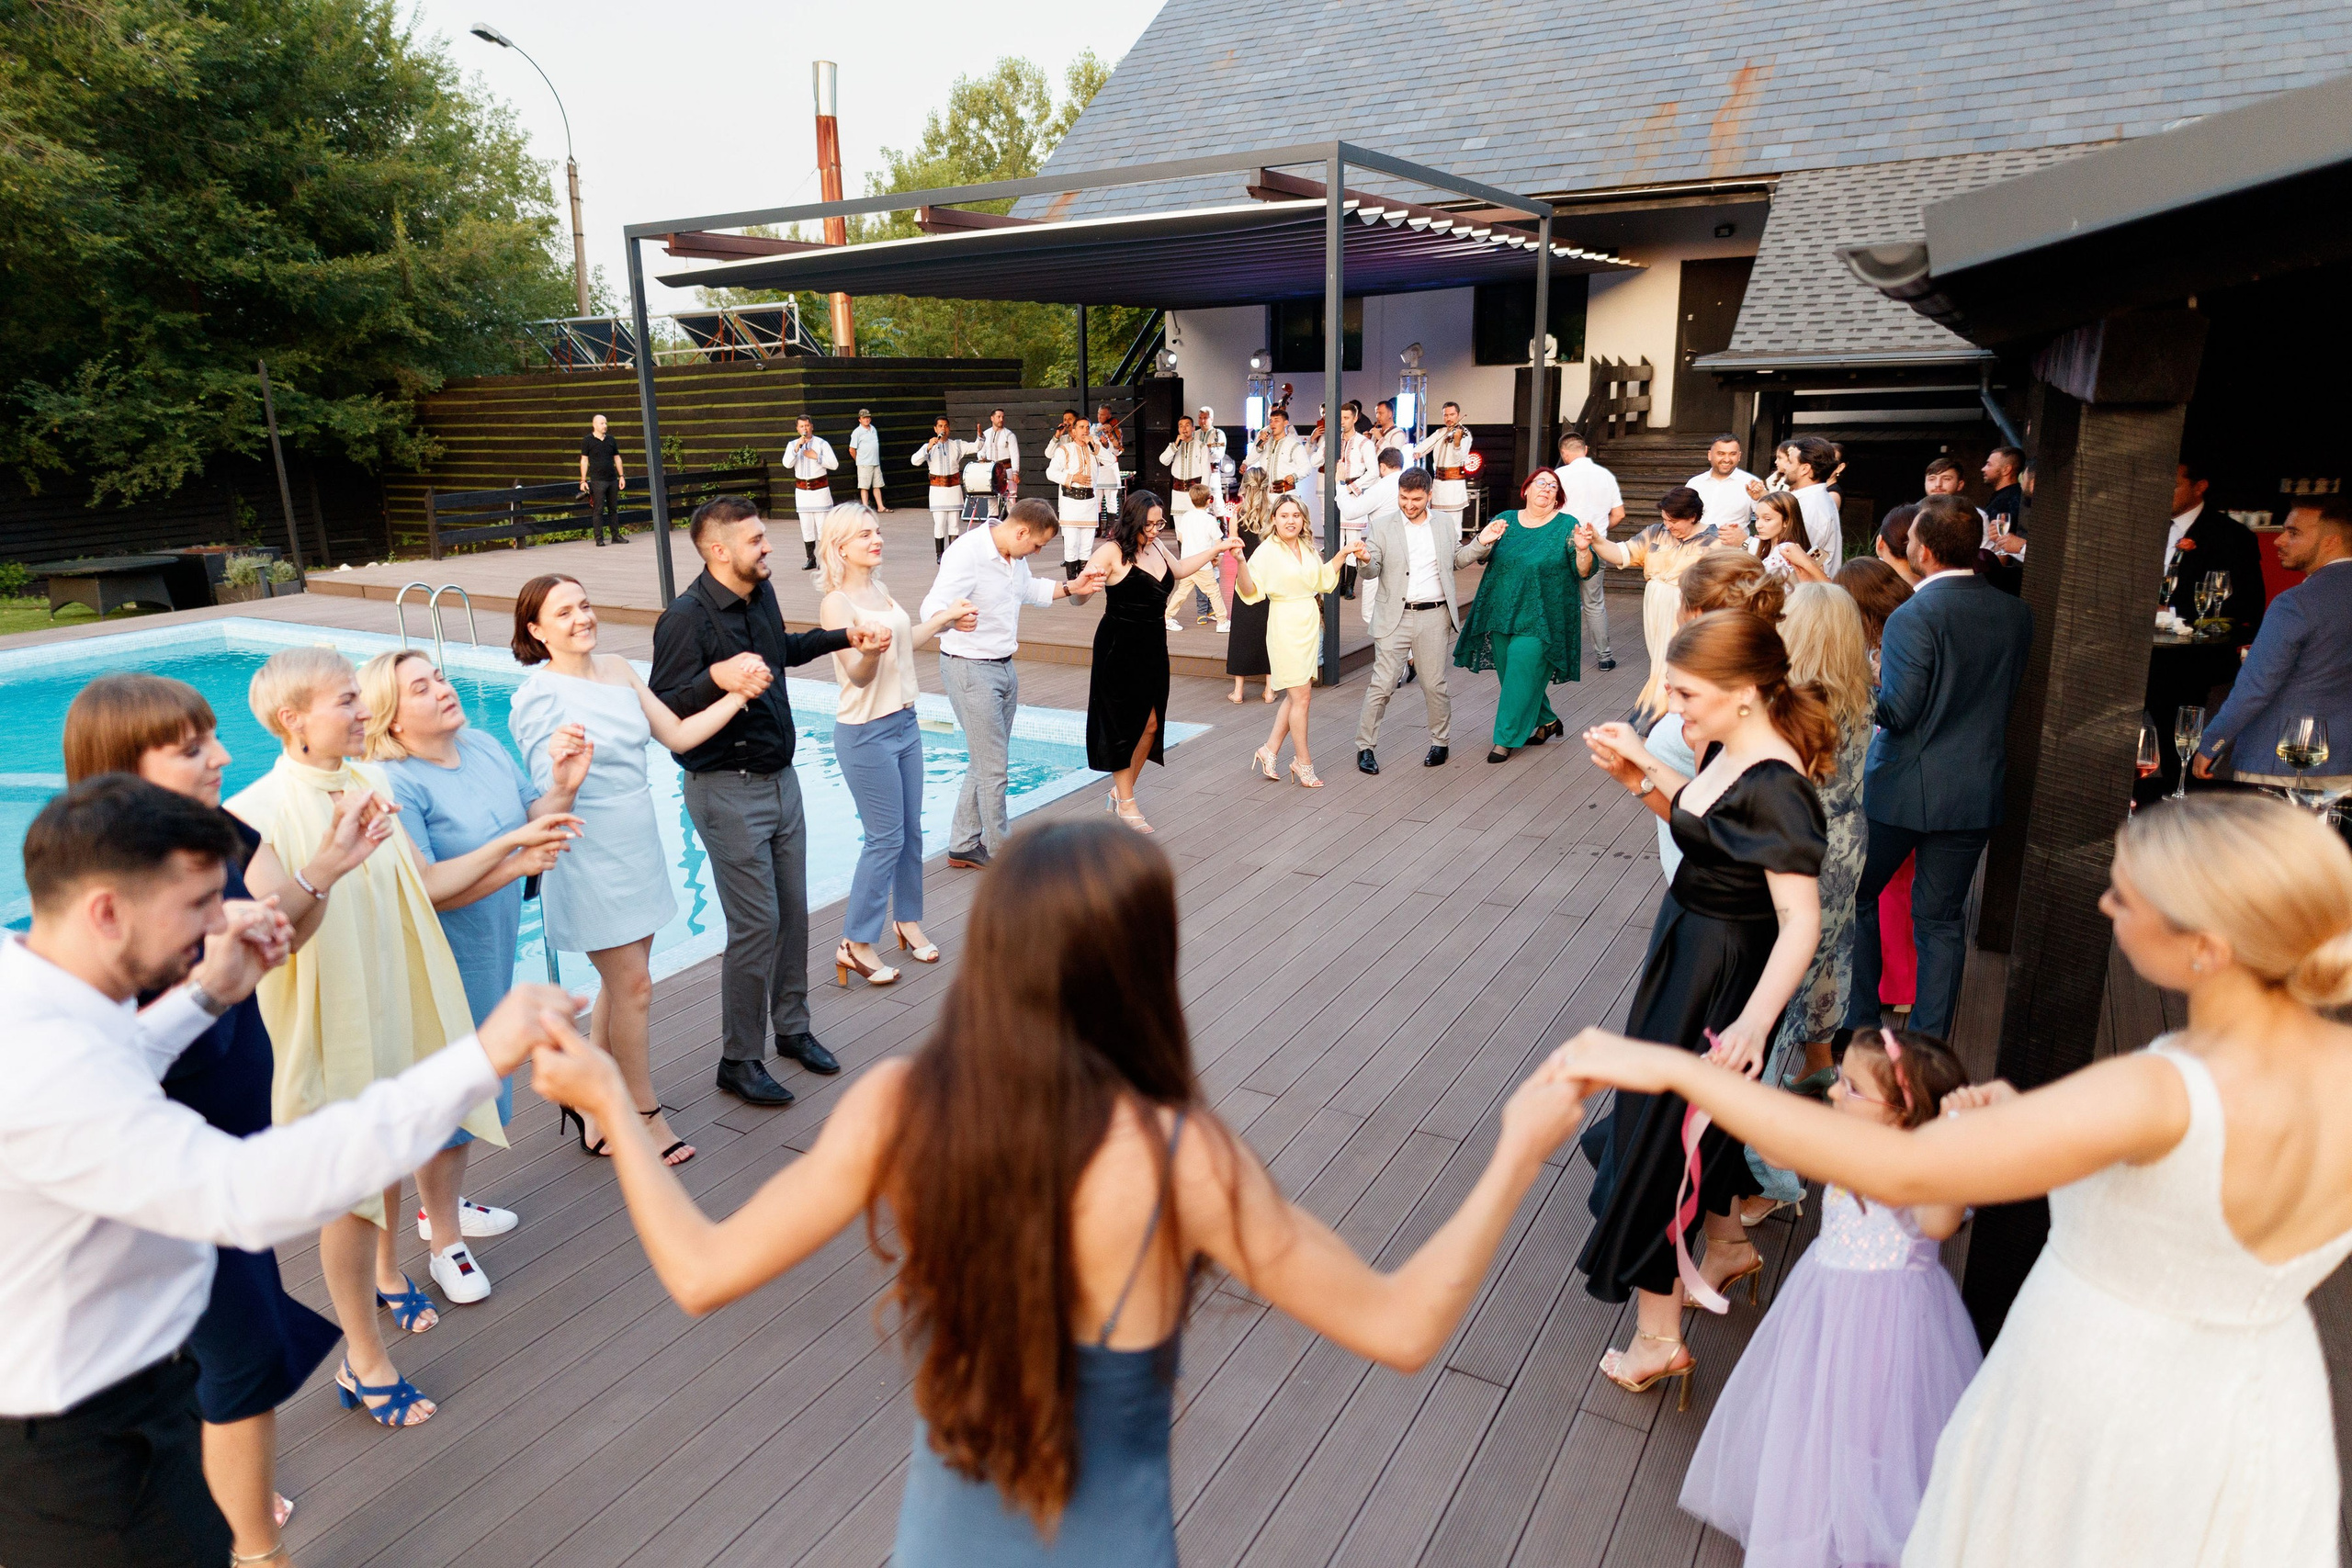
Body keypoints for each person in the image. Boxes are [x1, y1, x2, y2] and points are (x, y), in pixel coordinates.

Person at [522, 818, 1591, 1567]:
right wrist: (1517, 1150)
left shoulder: (900, 1102)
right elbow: (1403, 1328)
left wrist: (614, 1102)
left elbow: (702, 1273)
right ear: (1142, 969)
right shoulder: (1183, 1159)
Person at [1556, 792, 2352, 1566]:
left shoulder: (2161, 1089)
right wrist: (2027, 1119)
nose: (2108, 905)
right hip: (2258, 1407)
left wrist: (1674, 1069)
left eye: (2126, 894)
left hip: (2108, 1406)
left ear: (2207, 947)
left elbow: (1894, 1164)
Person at [0, 775, 571, 1568]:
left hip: (126, 1394)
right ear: (106, 912)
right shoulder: (46, 1069)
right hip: (83, 1448)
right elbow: (247, 1195)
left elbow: (111, 1056)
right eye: (201, 905)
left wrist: (207, 994)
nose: (225, 919)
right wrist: (479, 1057)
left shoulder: (32, 982)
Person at [59, 679, 341, 1563]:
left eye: (214, 737)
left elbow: (270, 931)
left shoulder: (208, 844)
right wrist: (207, 977)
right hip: (164, 1168)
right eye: (191, 747)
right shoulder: (100, 897)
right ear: (121, 769)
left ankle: (217, 1471)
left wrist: (315, 878)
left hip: (233, 1142)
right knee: (243, 1354)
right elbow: (88, 1061)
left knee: (203, 1352)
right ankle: (253, 1552)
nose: (221, 755)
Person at [226, 647, 506, 1430]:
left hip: (389, 997)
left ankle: (389, 1270)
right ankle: (363, 1357)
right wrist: (329, 863)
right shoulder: (255, 813)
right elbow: (276, 931)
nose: (362, 711)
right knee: (348, 1190)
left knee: (390, 1145)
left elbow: (421, 883)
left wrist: (518, 845)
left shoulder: (373, 781)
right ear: (294, 720)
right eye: (346, 700)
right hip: (323, 1020)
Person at [1576, 611, 1834, 1402]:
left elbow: (1802, 919)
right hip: (1688, 949)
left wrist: (1755, 1021)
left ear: (1745, 692)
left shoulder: (1781, 785)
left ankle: (1660, 1338)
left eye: (1685, 692)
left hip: (1718, 976)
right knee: (1684, 1126)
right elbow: (1712, 833)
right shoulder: (1731, 750)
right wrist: (1642, 781)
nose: (1672, 706)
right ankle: (1724, 1248)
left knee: (1660, 1138)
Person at [1676, 1031, 1982, 1566]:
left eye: (1852, 1088)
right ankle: (1818, 1512)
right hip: (1825, 1299)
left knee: (1875, 1421)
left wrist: (1957, 1141)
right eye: (1840, 1080)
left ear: (1902, 1112)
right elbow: (1776, 1144)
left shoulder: (1921, 1171)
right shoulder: (1846, 1144)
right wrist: (1732, 1088)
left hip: (1890, 1319)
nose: (1835, 1094)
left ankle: (1869, 1523)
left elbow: (1940, 1221)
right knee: (1816, 1409)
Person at [649, 496, 888, 1105]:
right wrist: (716, 679)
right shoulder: (685, 618)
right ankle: (738, 1058)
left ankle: (793, 1028)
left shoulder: (760, 596)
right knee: (757, 925)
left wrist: (842, 636)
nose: (769, 546)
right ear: (718, 551)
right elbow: (666, 707)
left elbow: (780, 650)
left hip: (782, 780)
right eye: (756, 540)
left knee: (794, 913)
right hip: (726, 789)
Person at [364, 649, 587, 1301]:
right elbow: (426, 887)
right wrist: (517, 866)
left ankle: (447, 1206)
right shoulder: (392, 781)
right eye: (421, 687)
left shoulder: (482, 745)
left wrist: (566, 782)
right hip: (433, 963)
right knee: (452, 1098)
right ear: (393, 717)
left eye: (439, 676)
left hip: (488, 946)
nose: (443, 689)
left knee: (480, 1087)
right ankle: (444, 1247)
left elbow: (530, 815)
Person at [1849, 495, 2034, 1040]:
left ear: (1924, 551)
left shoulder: (1914, 615)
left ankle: (1859, 1027)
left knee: (1856, 895)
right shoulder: (2015, 612)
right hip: (1976, 786)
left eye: (1909, 542)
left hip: (1902, 788)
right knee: (1942, 922)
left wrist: (1857, 679)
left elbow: (1899, 712)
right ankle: (1929, 1043)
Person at [815, 506, 976, 987]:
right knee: (884, 837)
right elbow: (857, 675)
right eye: (865, 534)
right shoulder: (837, 604)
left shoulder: (879, 591)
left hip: (905, 724)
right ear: (841, 546)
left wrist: (945, 619)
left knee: (910, 831)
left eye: (877, 530)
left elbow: (904, 643)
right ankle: (855, 942)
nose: (876, 538)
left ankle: (907, 921)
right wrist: (867, 652)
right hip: (865, 732)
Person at [921, 497, 1105, 871]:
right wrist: (952, 619)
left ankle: (961, 844)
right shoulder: (967, 553)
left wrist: (1073, 586)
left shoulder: (1013, 558)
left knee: (985, 761)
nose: (1037, 552)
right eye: (1037, 545)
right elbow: (931, 605)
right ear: (1021, 531)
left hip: (1003, 667)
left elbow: (1031, 591)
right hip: (970, 669)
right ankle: (1007, 859)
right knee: (994, 768)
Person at [1085, 491, 1240, 831]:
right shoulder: (1111, 551)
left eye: (1160, 522)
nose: (1156, 529)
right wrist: (1082, 587)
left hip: (1154, 643)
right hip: (1119, 646)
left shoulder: (1156, 546)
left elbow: (1181, 569)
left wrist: (1217, 549)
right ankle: (1126, 802)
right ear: (1133, 519)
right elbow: (1081, 597)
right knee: (1124, 724)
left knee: (1152, 724)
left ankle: (1120, 792)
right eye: (1150, 523)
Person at [2191, 492, 2352, 801]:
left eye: (2293, 533)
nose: (2279, 541)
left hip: (2279, 764)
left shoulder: (2295, 604)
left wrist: (2211, 742)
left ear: (2331, 542)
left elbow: (2255, 687)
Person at [1353, 469, 1505, 774]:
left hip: (1434, 615)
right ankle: (1365, 748)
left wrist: (1482, 541)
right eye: (1403, 498)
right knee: (1382, 685)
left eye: (1416, 499)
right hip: (1393, 617)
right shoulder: (1381, 526)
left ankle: (1440, 742)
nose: (1409, 505)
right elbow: (1371, 571)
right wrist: (1365, 560)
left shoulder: (1445, 523)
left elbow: (1457, 560)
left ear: (1429, 496)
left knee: (1434, 684)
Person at [1456, 468, 1598, 763]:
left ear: (1557, 497)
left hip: (1543, 616)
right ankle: (1547, 720)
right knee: (1514, 676)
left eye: (1553, 486)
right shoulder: (1505, 520)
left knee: (1522, 666)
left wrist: (1583, 550)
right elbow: (1479, 557)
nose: (1546, 488)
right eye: (1540, 483)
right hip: (1500, 612)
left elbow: (1583, 571)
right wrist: (1484, 539)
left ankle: (1504, 740)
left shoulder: (1565, 526)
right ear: (1527, 489)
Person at [1236, 493, 1362, 787]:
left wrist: (1343, 554)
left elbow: (1321, 580)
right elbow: (1249, 590)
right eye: (1284, 515)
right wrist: (1241, 561)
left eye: (1295, 515)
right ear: (1274, 520)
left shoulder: (1307, 547)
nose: (1290, 520)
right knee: (1302, 697)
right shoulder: (1266, 550)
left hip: (1308, 624)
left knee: (1296, 695)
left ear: (1303, 519)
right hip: (1284, 625)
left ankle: (1268, 750)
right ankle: (1303, 761)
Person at [1581, 484, 1720, 722]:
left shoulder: (1714, 541)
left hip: (1687, 609)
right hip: (1655, 608)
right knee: (1659, 663)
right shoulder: (1656, 532)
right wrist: (1595, 540)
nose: (1669, 525)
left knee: (1673, 663)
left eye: (1674, 521)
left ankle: (1651, 719)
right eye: (1665, 519)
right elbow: (1621, 553)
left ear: (1693, 517)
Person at [1555, 432, 1626, 673]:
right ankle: (1604, 657)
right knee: (1594, 602)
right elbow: (1619, 514)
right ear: (1585, 449)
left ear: (1564, 453)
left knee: (1565, 601)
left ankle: (1561, 655)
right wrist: (1597, 533)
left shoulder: (1559, 475)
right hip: (1596, 545)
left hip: (1563, 545)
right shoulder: (1605, 475)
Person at [1222, 468, 1279, 705]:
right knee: (1270, 632)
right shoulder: (1273, 515)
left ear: (1244, 487)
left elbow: (1234, 548)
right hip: (1270, 579)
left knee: (1242, 632)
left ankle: (1238, 691)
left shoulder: (1238, 513)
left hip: (1245, 578)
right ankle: (1269, 690)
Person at [1339, 447, 1407, 633]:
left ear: (1382, 467)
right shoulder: (1411, 484)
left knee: (1370, 611)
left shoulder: (1381, 487)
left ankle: (1399, 652)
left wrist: (1340, 484)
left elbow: (1351, 511)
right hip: (1409, 550)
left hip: (1381, 552)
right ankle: (1408, 655)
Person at [1162, 483, 1230, 631]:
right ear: (1208, 500)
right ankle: (1222, 621)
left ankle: (1167, 617)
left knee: (1181, 592)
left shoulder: (1186, 516)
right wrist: (1218, 557)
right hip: (1202, 564)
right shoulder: (1209, 519)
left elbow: (1180, 537)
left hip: (1186, 563)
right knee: (1214, 592)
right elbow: (1218, 541)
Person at [1046, 419, 1102, 578]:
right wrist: (1073, 478)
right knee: (1071, 545)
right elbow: (1050, 473)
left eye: (1087, 428)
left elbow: (1111, 460)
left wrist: (1095, 446)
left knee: (1086, 546)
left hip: (1090, 501)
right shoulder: (1065, 449)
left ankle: (1083, 579)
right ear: (1073, 432)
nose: (1085, 430)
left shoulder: (1095, 450)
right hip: (1071, 502)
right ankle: (1072, 581)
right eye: (1081, 427)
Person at [913, 415, 974, 560]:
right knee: (939, 523)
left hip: (953, 488)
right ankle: (940, 554)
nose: (943, 429)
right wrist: (928, 447)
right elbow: (914, 461)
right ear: (935, 429)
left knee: (954, 524)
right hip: (937, 490)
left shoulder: (956, 445)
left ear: (949, 428)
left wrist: (980, 437)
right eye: (940, 426)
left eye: (946, 426)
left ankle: (953, 554)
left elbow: (976, 446)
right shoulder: (929, 447)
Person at [784, 415, 839, 571]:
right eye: (801, 426)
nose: (805, 429)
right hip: (802, 492)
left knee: (822, 527)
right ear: (797, 429)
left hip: (820, 490)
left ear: (811, 427)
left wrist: (816, 456)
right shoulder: (792, 445)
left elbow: (834, 464)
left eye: (807, 426)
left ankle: (824, 559)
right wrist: (796, 449)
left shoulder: (822, 444)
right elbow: (787, 464)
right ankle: (811, 558)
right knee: (806, 527)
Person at [1413, 400, 1474, 537]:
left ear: (1458, 415)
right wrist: (1417, 452)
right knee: (1437, 521)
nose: (1449, 418)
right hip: (1439, 483)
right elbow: (1427, 444)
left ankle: (1455, 553)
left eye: (1452, 414)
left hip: (1453, 485)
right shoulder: (1440, 432)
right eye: (1445, 415)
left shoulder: (1464, 434)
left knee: (1454, 523)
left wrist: (1457, 443)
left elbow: (1459, 457)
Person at [1787, 435, 1844, 575]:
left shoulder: (1811, 507)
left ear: (1805, 469)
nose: (1785, 467)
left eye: (1790, 462)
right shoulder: (1813, 500)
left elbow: (1792, 559)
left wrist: (1746, 543)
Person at [1686, 434, 1758, 536]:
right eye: (1721, 454)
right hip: (1695, 546)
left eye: (1732, 454)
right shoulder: (1695, 483)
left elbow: (1766, 515)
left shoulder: (1751, 483)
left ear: (1739, 456)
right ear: (1710, 455)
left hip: (1730, 549)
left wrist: (1762, 496)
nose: (1727, 459)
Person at [578, 412, 627, 547]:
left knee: (613, 509)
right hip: (597, 480)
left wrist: (621, 476)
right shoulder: (587, 440)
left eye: (606, 423)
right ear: (595, 425)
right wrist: (583, 480)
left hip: (612, 479)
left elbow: (617, 458)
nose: (605, 426)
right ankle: (599, 537)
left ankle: (615, 535)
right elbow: (584, 460)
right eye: (602, 423)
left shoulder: (611, 440)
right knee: (598, 509)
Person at [975, 408, 1020, 520]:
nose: (1001, 419)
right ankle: (993, 529)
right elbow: (980, 450)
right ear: (992, 418)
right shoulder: (986, 434)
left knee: (1010, 500)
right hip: (991, 471)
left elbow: (1015, 454)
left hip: (1007, 470)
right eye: (998, 417)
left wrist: (1016, 472)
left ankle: (1012, 526)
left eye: (1002, 417)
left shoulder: (1009, 435)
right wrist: (981, 457)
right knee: (992, 500)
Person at [851, 408, 886, 513]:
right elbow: (852, 449)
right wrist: (859, 461)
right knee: (864, 486)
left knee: (877, 485)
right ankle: (865, 508)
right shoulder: (857, 432)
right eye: (864, 418)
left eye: (868, 417)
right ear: (860, 419)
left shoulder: (873, 429)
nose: (866, 419)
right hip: (864, 463)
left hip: (875, 462)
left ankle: (881, 507)